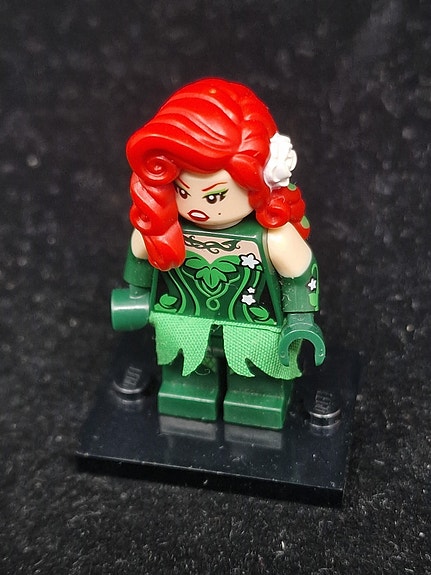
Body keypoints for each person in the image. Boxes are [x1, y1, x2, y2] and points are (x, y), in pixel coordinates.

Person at [111, 78, 325, 429]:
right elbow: (139, 258)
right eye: (182, 191)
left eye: (214, 196)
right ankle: (188, 393)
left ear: (258, 182)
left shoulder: (273, 238)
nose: (196, 206)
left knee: (257, 376)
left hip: (254, 324)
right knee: (187, 371)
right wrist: (136, 295)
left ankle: (258, 401)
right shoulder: (163, 229)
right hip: (183, 318)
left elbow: (300, 274)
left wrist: (300, 319)